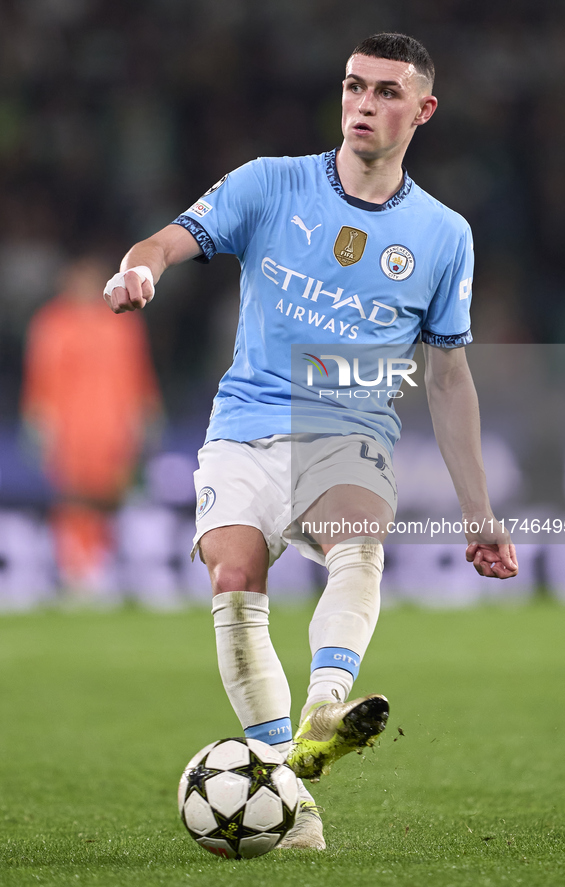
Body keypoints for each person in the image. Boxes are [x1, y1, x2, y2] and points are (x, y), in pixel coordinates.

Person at [103, 33, 518, 850]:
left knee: (358, 535)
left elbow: (446, 379)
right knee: (233, 570)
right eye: (354, 86)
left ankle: (326, 702)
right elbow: (165, 239)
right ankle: (288, 777)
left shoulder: (443, 234)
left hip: (349, 428)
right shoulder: (270, 183)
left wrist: (480, 511)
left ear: (422, 110)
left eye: (386, 92)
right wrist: (140, 268)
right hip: (247, 422)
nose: (364, 103)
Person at [23, 255, 162, 596]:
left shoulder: (122, 321)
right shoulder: (52, 323)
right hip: (71, 431)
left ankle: (107, 569)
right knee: (73, 500)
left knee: (114, 497)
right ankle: (76, 572)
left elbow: (138, 375)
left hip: (113, 430)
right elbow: (40, 382)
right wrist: (39, 426)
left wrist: (147, 416)